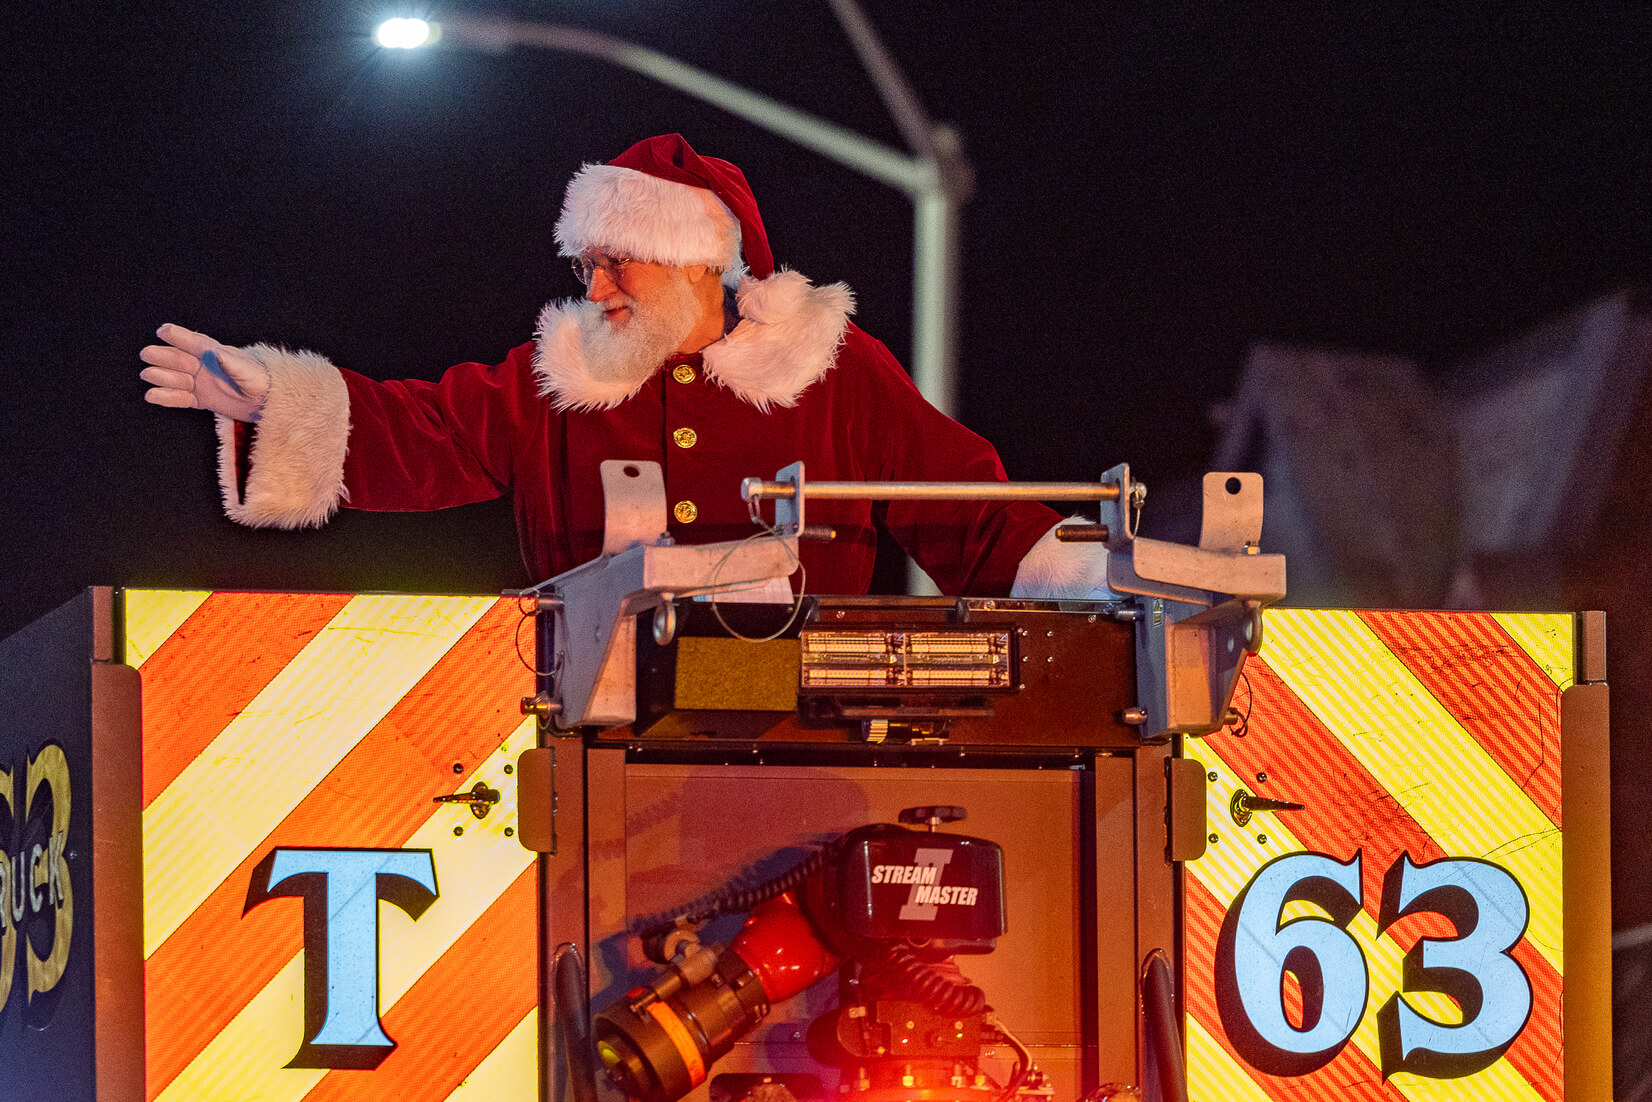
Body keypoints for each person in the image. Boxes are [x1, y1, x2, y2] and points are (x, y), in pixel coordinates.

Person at [139, 134, 1106, 598]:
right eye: (586, 262)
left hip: (812, 747)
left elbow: (966, 507)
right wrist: (279, 395)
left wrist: (1092, 582)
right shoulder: (555, 379)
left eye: (615, 260)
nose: (595, 286)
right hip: (591, 755)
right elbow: (420, 431)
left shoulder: (834, 372)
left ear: (696, 262)